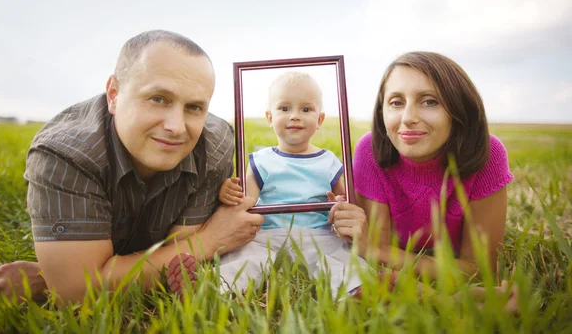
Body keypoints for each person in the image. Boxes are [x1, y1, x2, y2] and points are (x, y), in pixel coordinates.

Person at [0, 30, 264, 303]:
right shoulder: (64, 154)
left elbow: (180, 260)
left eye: (194, 107)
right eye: (158, 99)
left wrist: (68, 274)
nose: (177, 127)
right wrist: (212, 239)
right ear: (114, 94)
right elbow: (79, 293)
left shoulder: (213, 142)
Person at [169, 72, 370, 297]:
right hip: (267, 234)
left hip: (317, 234)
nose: (295, 116)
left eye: (306, 109)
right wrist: (228, 192)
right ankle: (211, 288)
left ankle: (357, 289)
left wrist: (341, 204)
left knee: (337, 257)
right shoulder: (262, 160)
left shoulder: (329, 161)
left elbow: (345, 200)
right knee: (250, 258)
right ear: (270, 117)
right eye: (284, 108)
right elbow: (246, 199)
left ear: (320, 120)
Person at [328, 51, 513, 282]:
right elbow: (375, 248)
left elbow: (478, 269)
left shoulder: (489, 153)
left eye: (429, 101)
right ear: (381, 112)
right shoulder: (370, 150)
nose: (408, 118)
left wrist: (379, 251)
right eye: (396, 103)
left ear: (459, 109)